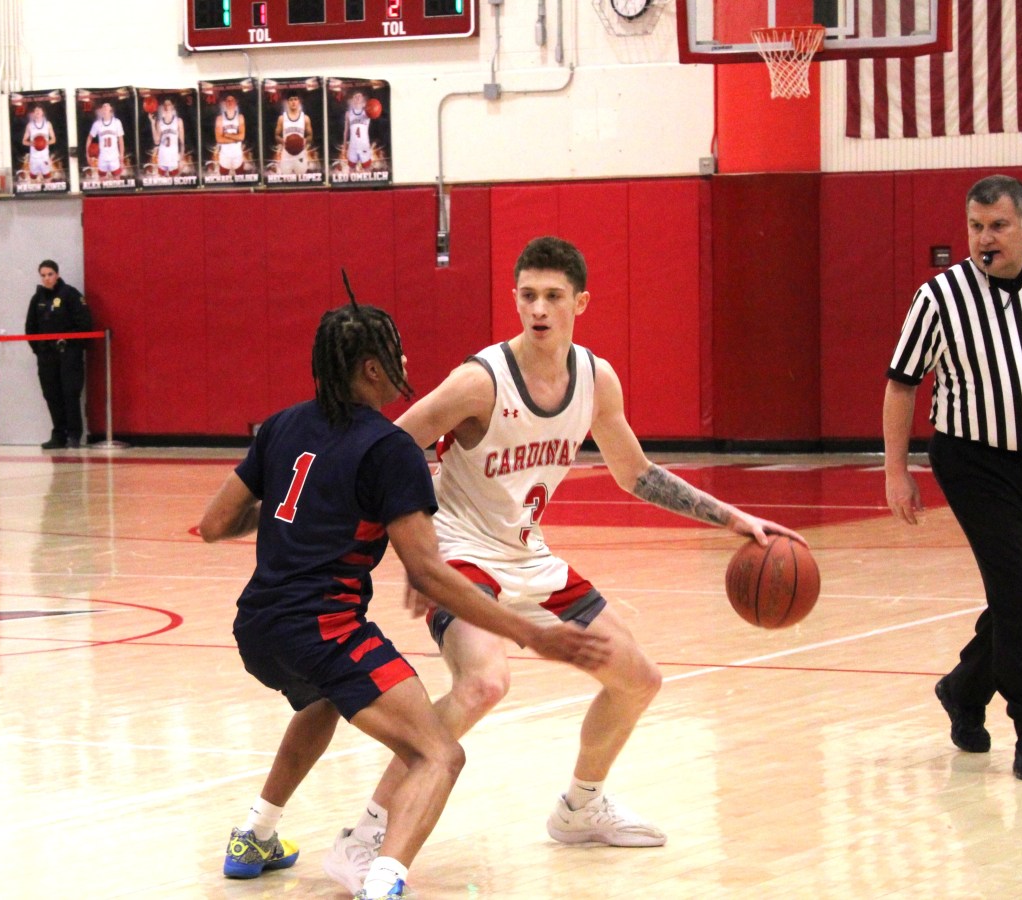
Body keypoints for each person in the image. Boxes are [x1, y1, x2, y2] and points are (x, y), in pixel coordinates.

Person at [321, 236, 807, 894]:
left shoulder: (595, 379)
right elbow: (385, 446)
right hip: (462, 550)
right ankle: (370, 829)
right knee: (484, 684)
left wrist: (733, 518)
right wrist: (412, 549)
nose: (539, 309)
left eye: (553, 296)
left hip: (529, 553)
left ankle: (580, 808)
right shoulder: (480, 381)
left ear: (580, 302)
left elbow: (636, 473)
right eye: (527, 296)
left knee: (638, 679)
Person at [199, 295, 609, 900]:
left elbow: (214, 523)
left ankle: (255, 832)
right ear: (370, 369)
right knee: (437, 755)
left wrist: (306, 511)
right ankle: (384, 880)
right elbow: (433, 574)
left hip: (257, 627)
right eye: (394, 352)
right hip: (326, 629)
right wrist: (530, 632)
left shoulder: (283, 424)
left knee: (322, 703)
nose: (404, 359)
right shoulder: (390, 449)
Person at [883, 174, 1022, 783]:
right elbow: (902, 383)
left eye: (999, 227)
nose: (985, 239)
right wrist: (896, 472)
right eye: (976, 227)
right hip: (972, 460)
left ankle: (964, 686)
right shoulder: (939, 297)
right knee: (1014, 587)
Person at [25, 260, 92, 450]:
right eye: (43, 275)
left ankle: (74, 434)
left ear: (57, 274)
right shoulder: (37, 299)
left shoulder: (70, 295)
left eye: (50, 274)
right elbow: (30, 328)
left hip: (68, 354)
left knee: (70, 393)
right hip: (46, 355)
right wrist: (39, 349)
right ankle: (59, 434)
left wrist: (72, 346)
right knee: (51, 394)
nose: (47, 278)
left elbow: (85, 324)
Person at [276, 93, 312, 175]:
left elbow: (310, 135)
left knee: (301, 179)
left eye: (295, 99)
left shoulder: (305, 118)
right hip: (286, 154)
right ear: (288, 102)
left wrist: (305, 140)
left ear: (299, 101)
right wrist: (282, 141)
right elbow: (277, 135)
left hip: (300, 154)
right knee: (285, 179)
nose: (293, 102)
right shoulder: (282, 118)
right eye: (291, 100)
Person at [88, 102, 126, 180]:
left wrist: (121, 154)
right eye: (103, 106)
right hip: (103, 157)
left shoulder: (117, 122)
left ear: (110, 109)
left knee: (117, 179)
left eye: (107, 106)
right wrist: (87, 154)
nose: (105, 108)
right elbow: (89, 138)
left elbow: (121, 140)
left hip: (114, 156)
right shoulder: (97, 124)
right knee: (102, 179)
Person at [151, 98, 185, 176]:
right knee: (162, 182)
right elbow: (156, 141)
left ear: (173, 106)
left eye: (168, 104)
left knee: (174, 180)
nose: (166, 107)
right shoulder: (160, 122)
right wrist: (152, 124)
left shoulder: (178, 121)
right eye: (165, 105)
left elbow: (182, 142)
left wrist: (182, 158)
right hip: (162, 157)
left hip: (173, 157)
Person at [21, 105, 55, 182]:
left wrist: (45, 143)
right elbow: (24, 141)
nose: (37, 111)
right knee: (33, 179)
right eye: (36, 110)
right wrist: (32, 143)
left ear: (43, 112)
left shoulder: (48, 124)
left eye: (39, 110)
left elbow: (53, 139)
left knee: (47, 179)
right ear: (33, 113)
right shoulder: (30, 125)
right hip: (34, 158)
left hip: (44, 157)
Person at [215, 94, 245, 175]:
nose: (230, 102)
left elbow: (242, 137)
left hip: (237, 154)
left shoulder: (240, 117)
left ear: (235, 103)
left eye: (232, 100)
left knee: (241, 179)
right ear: (225, 103)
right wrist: (235, 139)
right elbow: (219, 139)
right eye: (228, 100)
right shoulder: (220, 118)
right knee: (223, 180)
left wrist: (227, 135)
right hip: (225, 155)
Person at [343, 91, 372, 174]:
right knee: (351, 170)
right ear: (353, 99)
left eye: (359, 96)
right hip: (353, 145)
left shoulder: (368, 112)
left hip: (364, 145)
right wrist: (344, 145)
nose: (358, 98)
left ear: (363, 99)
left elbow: (376, 112)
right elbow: (346, 130)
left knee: (367, 170)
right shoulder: (348, 113)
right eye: (356, 96)